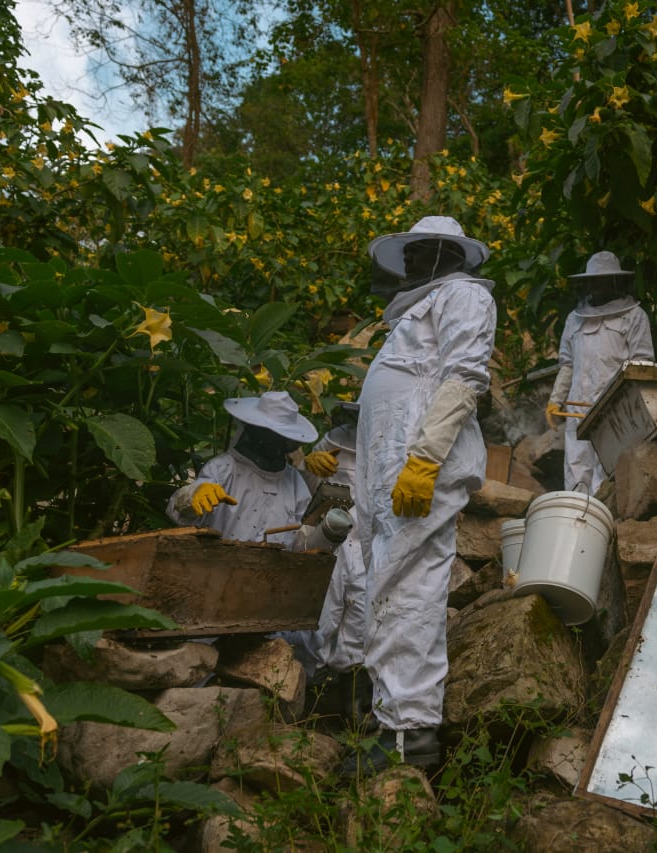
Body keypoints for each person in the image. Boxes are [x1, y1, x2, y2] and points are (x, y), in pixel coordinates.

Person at [348, 215, 495, 772]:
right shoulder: (417, 312)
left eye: (416, 255)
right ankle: (389, 715)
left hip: (418, 468)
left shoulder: (463, 295)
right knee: (385, 583)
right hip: (391, 473)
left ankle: (409, 735)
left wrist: (426, 458)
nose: (407, 264)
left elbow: (464, 377)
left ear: (441, 254)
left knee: (410, 590)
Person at [167, 390, 353, 552]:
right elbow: (179, 514)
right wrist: (192, 495)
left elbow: (300, 545)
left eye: (279, 437)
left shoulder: (294, 481)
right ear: (253, 429)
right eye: (268, 434)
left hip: (270, 581)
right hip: (216, 571)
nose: (272, 442)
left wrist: (329, 531)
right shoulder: (223, 468)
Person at [546, 251, 653, 494]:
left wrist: (635, 409)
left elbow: (643, 366)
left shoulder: (634, 316)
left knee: (610, 476)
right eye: (594, 280)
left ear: (616, 281)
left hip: (615, 411)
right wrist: (555, 400)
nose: (598, 285)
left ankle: (612, 530)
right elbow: (567, 363)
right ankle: (578, 528)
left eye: (604, 279)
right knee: (576, 473)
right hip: (577, 410)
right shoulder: (574, 320)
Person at [298, 401, 369, 686]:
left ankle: (350, 682)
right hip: (330, 535)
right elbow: (304, 489)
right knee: (324, 609)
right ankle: (310, 680)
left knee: (363, 609)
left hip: (368, 541)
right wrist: (309, 465)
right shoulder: (335, 437)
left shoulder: (398, 440)